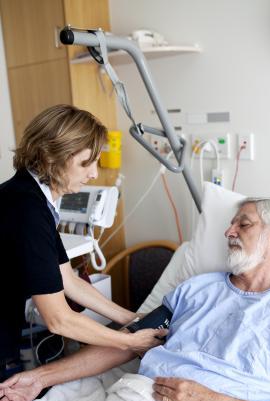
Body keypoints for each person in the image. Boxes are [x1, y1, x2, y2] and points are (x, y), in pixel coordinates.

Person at [1, 197, 270, 401]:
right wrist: (40, 377)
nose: (228, 231)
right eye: (231, 223)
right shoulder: (197, 289)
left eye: (243, 224)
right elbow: (127, 342)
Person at [0, 104, 165, 386]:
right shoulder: (27, 210)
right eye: (86, 163)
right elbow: (59, 320)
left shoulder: (33, 199)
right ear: (53, 157)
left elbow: (69, 282)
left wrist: (132, 318)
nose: (93, 174)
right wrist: (129, 342)